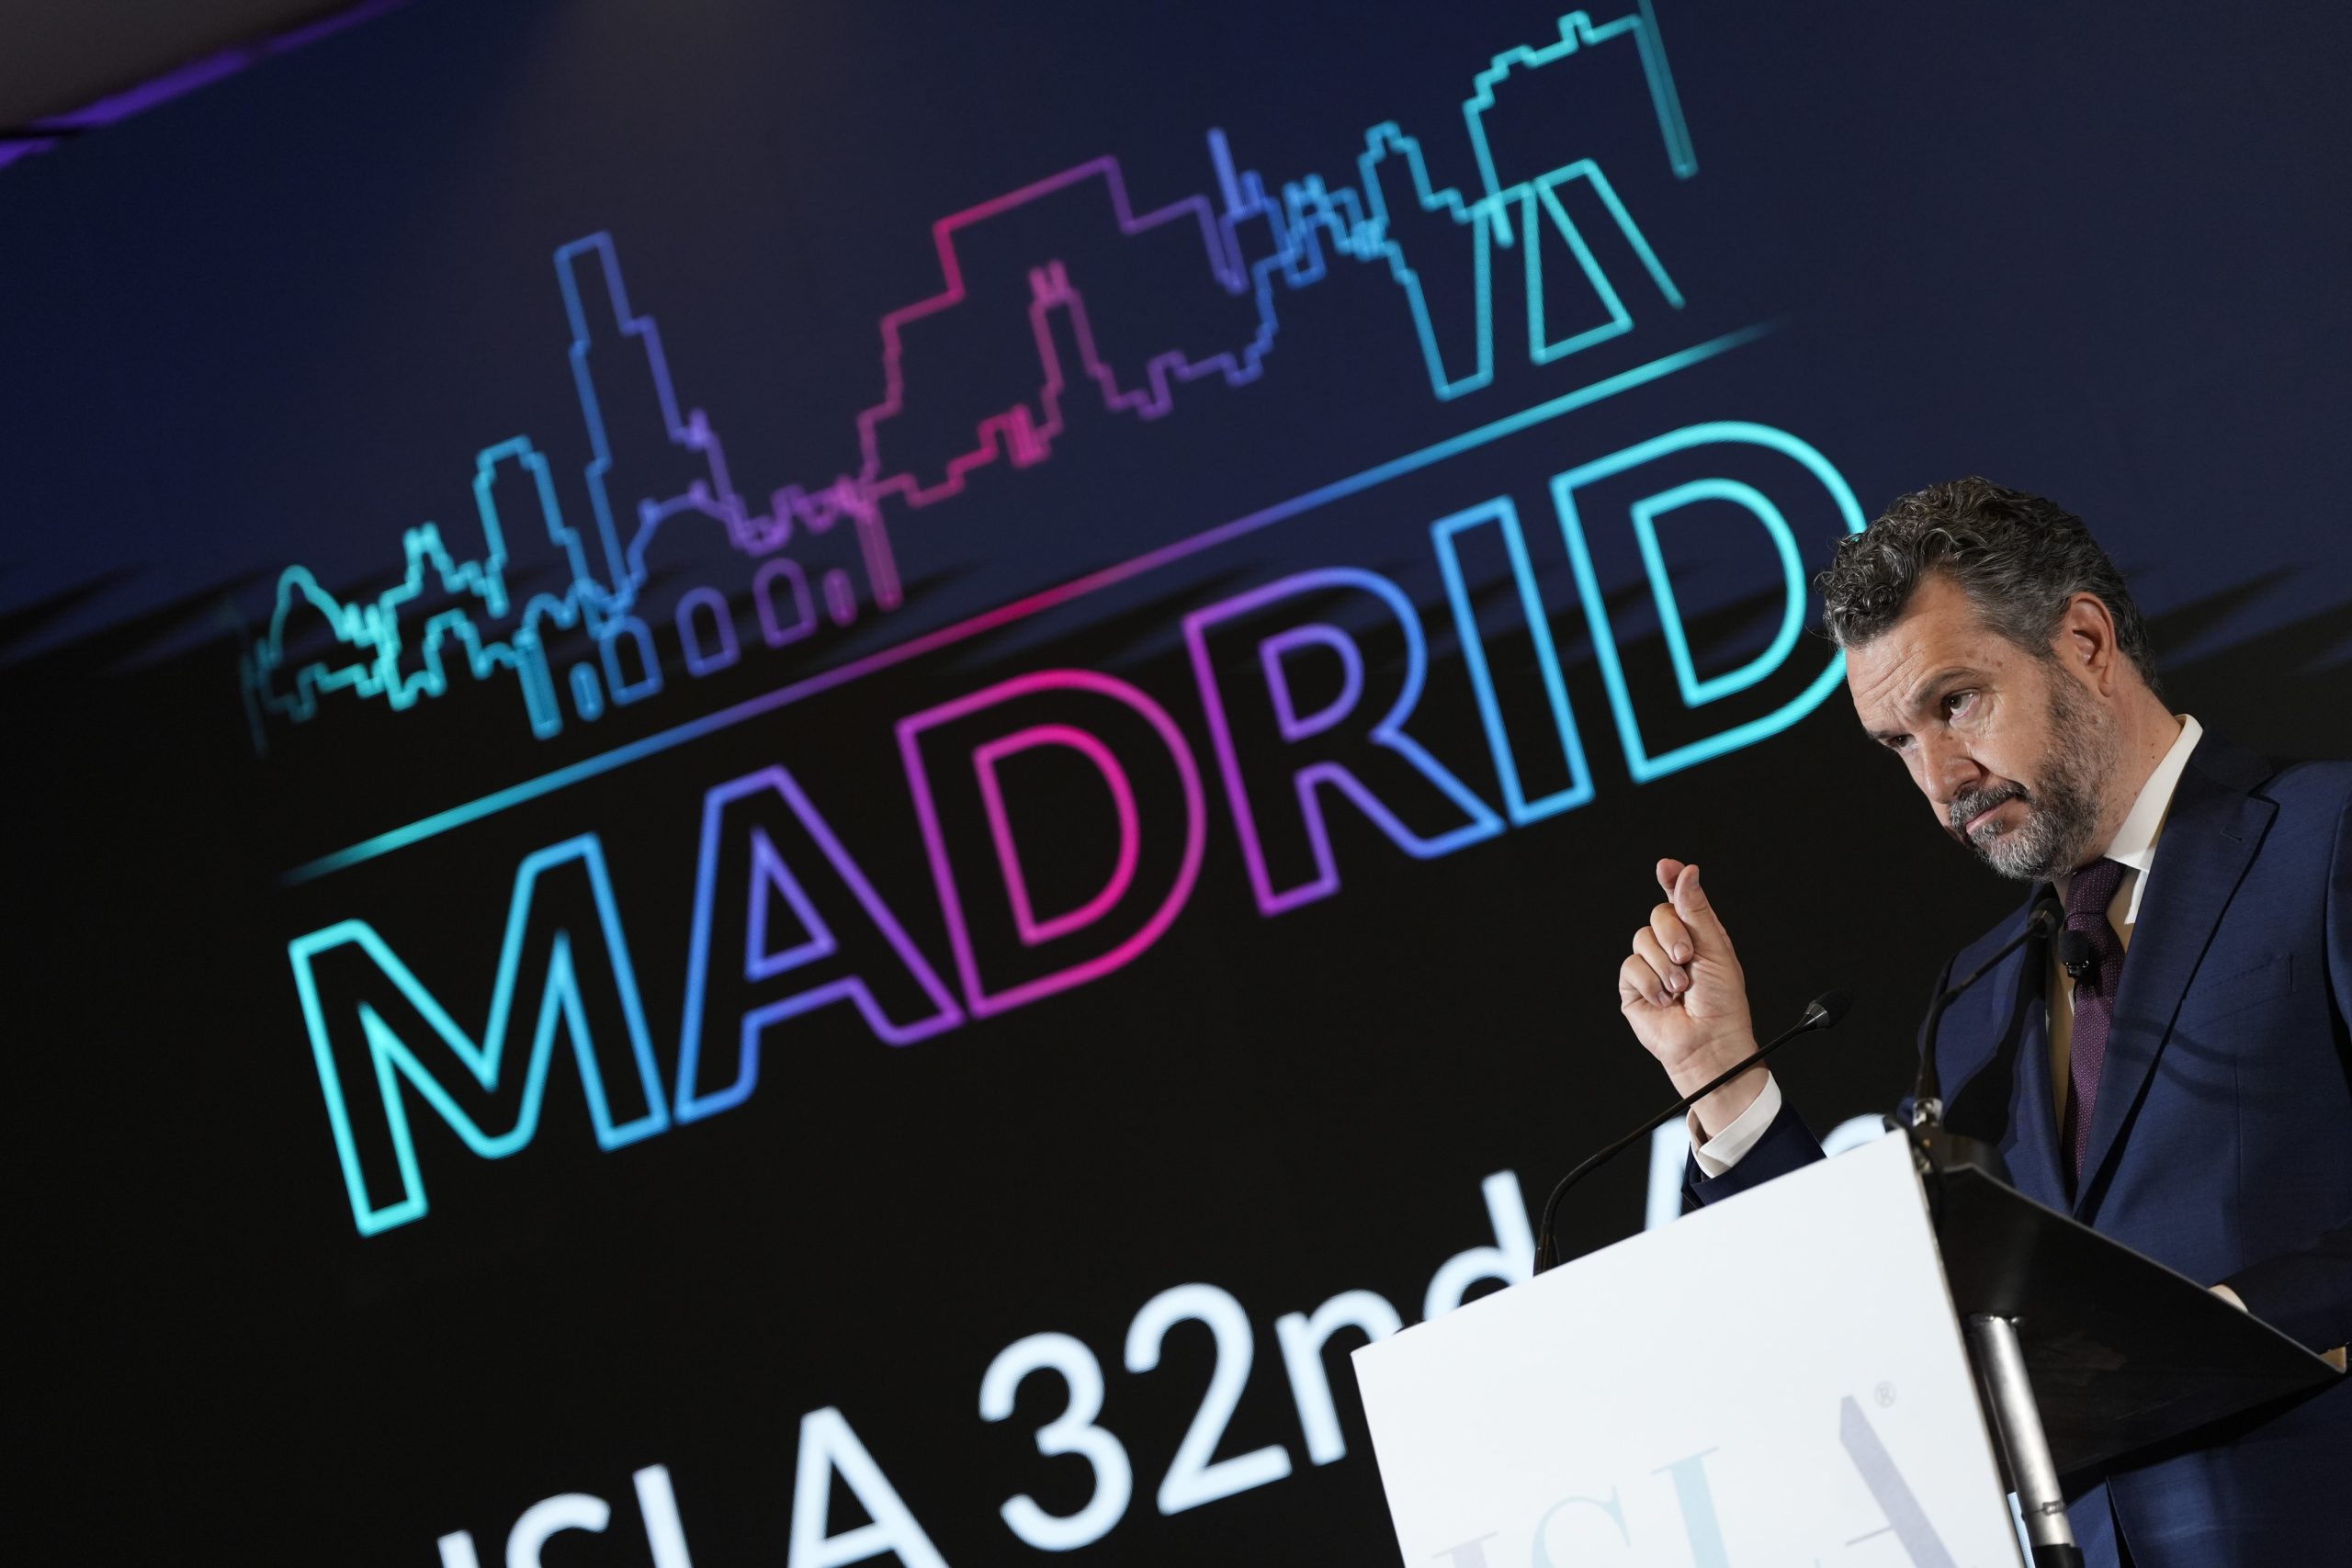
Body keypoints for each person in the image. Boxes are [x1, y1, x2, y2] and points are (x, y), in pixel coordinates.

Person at [1617, 479, 2348, 1568]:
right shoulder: (1976, 1001)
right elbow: (1889, 1332)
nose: (1939, 779)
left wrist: (2218, 1331)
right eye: (1896, 743)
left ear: (2085, 643)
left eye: (1955, 703)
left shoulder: (2324, 841)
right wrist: (1720, 1077)